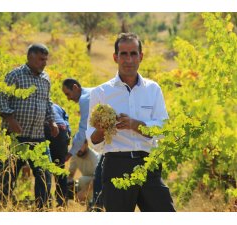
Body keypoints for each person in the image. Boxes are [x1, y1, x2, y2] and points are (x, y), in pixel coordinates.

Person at [86, 33, 176, 212]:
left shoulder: (153, 89)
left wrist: (135, 124)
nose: (129, 59)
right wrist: (103, 129)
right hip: (116, 165)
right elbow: (92, 141)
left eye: (133, 53)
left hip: (148, 164)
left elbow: (164, 129)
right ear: (115, 57)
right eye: (123, 54)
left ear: (141, 57)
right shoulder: (101, 92)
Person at [0, 43, 59, 209]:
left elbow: (48, 102)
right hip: (16, 137)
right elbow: (1, 99)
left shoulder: (46, 78)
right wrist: (11, 120)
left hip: (38, 137)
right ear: (30, 57)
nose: (44, 63)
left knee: (44, 174)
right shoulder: (15, 75)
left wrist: (52, 121)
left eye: (46, 60)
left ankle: (41, 209)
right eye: (41, 59)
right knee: (7, 174)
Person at [62, 79, 103, 210]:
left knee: (100, 176)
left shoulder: (85, 99)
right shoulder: (90, 93)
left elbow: (83, 129)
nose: (68, 99)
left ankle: (96, 206)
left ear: (75, 87)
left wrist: (70, 152)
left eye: (68, 94)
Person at [44, 103, 71, 208]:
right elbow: (67, 125)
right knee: (60, 168)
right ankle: (62, 202)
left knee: (44, 168)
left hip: (46, 127)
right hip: (61, 130)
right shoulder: (59, 107)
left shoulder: (40, 103)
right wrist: (66, 142)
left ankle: (46, 202)